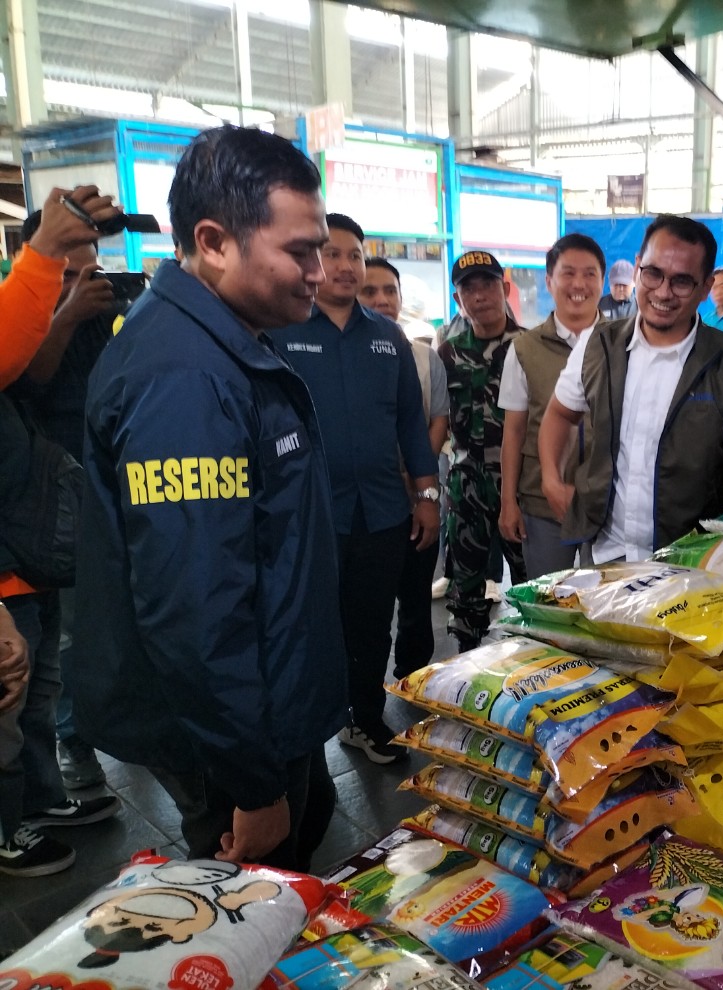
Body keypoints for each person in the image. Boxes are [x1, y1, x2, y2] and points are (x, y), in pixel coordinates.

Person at [73, 125, 349, 872]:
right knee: (249, 904)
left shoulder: (226, 341)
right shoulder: (184, 381)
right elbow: (197, 611)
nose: (319, 272)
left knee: (309, 823)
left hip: (266, 704)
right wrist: (252, 786)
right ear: (214, 241)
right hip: (223, 732)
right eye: (300, 251)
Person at [539, 214, 723, 564]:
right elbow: (559, 413)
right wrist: (551, 480)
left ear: (705, 288)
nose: (663, 292)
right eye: (653, 274)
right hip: (603, 555)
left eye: (682, 281)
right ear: (636, 268)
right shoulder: (596, 346)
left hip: (690, 562)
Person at [273, 216, 439, 765]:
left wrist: (428, 497)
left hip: (383, 514)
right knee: (309, 626)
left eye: (355, 255)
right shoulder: (281, 333)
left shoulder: (388, 339)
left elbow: (412, 428)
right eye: (332, 254)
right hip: (307, 516)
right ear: (313, 262)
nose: (344, 266)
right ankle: (304, 731)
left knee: (372, 626)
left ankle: (364, 719)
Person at [1, 185, 121, 877]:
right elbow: (27, 375)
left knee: (41, 675)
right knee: (21, 683)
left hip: (68, 519)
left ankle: (41, 797)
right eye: (60, 265)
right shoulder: (32, 323)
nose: (79, 281)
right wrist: (66, 314)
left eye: (87, 269)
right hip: (22, 526)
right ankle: (15, 819)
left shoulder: (94, 322)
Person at [358, 257, 450, 678]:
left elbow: (435, 421)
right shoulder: (341, 353)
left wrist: (417, 480)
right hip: (369, 498)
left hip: (419, 491)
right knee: (368, 602)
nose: (381, 300)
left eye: (389, 291)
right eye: (369, 291)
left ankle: (414, 676)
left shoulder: (423, 356)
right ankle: (363, 698)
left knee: (416, 593)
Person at [498, 234, 603, 578]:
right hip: (543, 504)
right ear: (549, 281)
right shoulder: (524, 349)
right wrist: (508, 502)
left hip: (607, 504)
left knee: (609, 602)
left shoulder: (623, 342)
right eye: (568, 273)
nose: (579, 284)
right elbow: (513, 432)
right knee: (548, 602)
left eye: (590, 274)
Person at [437, 250, 526, 652]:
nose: (480, 296)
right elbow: (438, 418)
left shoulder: (529, 349)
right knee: (466, 591)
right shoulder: (449, 354)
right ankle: (464, 675)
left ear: (504, 289)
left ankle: (536, 670)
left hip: (521, 489)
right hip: (466, 490)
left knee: (533, 590)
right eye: (468, 289)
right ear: (459, 300)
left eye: (488, 285)